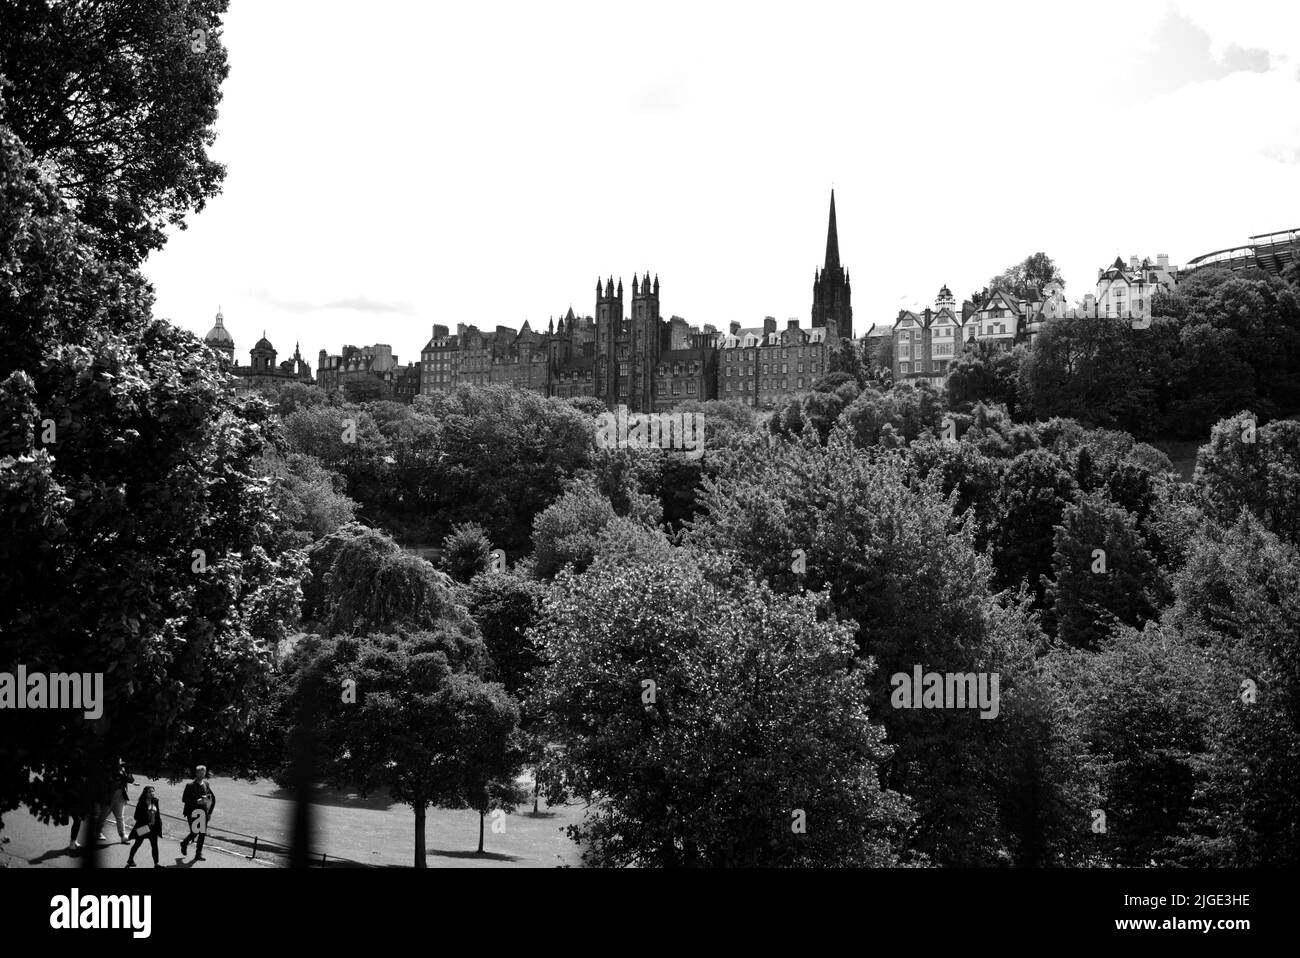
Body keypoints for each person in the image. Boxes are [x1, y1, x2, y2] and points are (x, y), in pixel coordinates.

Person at [179, 765, 216, 861]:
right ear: (196, 773)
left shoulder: (206, 784)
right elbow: (184, 799)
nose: (202, 774)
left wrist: (209, 812)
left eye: (203, 773)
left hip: (203, 812)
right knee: (195, 832)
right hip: (193, 812)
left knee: (202, 833)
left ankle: (198, 854)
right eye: (200, 773)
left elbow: (212, 798)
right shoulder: (190, 785)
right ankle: (184, 843)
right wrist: (197, 801)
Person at [96, 759, 134, 844]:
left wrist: (128, 772)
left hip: (120, 796)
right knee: (103, 816)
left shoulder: (124, 769)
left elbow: (131, 780)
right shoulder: (108, 769)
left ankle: (123, 835)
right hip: (109, 797)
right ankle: (98, 832)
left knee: (120, 817)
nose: (120, 761)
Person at [126, 786, 163, 868]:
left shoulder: (155, 801)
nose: (152, 793)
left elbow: (158, 814)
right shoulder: (141, 803)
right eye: (150, 791)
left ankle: (156, 864)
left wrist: (159, 824)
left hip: (152, 828)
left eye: (153, 791)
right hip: (144, 828)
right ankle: (130, 859)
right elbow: (136, 816)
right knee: (137, 844)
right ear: (146, 793)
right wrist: (147, 815)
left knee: (154, 846)